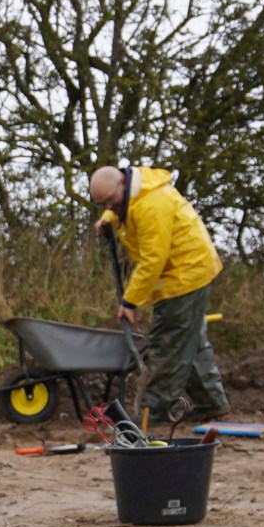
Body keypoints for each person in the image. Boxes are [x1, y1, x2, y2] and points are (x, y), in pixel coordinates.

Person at [89, 165, 228, 425]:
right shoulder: (132, 193)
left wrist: (130, 301)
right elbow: (121, 207)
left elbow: (153, 260)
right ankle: (212, 403)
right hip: (182, 270)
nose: (109, 205)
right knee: (191, 341)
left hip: (184, 274)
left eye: (110, 200)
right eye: (103, 203)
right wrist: (108, 218)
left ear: (122, 181)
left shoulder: (152, 205)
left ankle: (150, 412)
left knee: (168, 343)